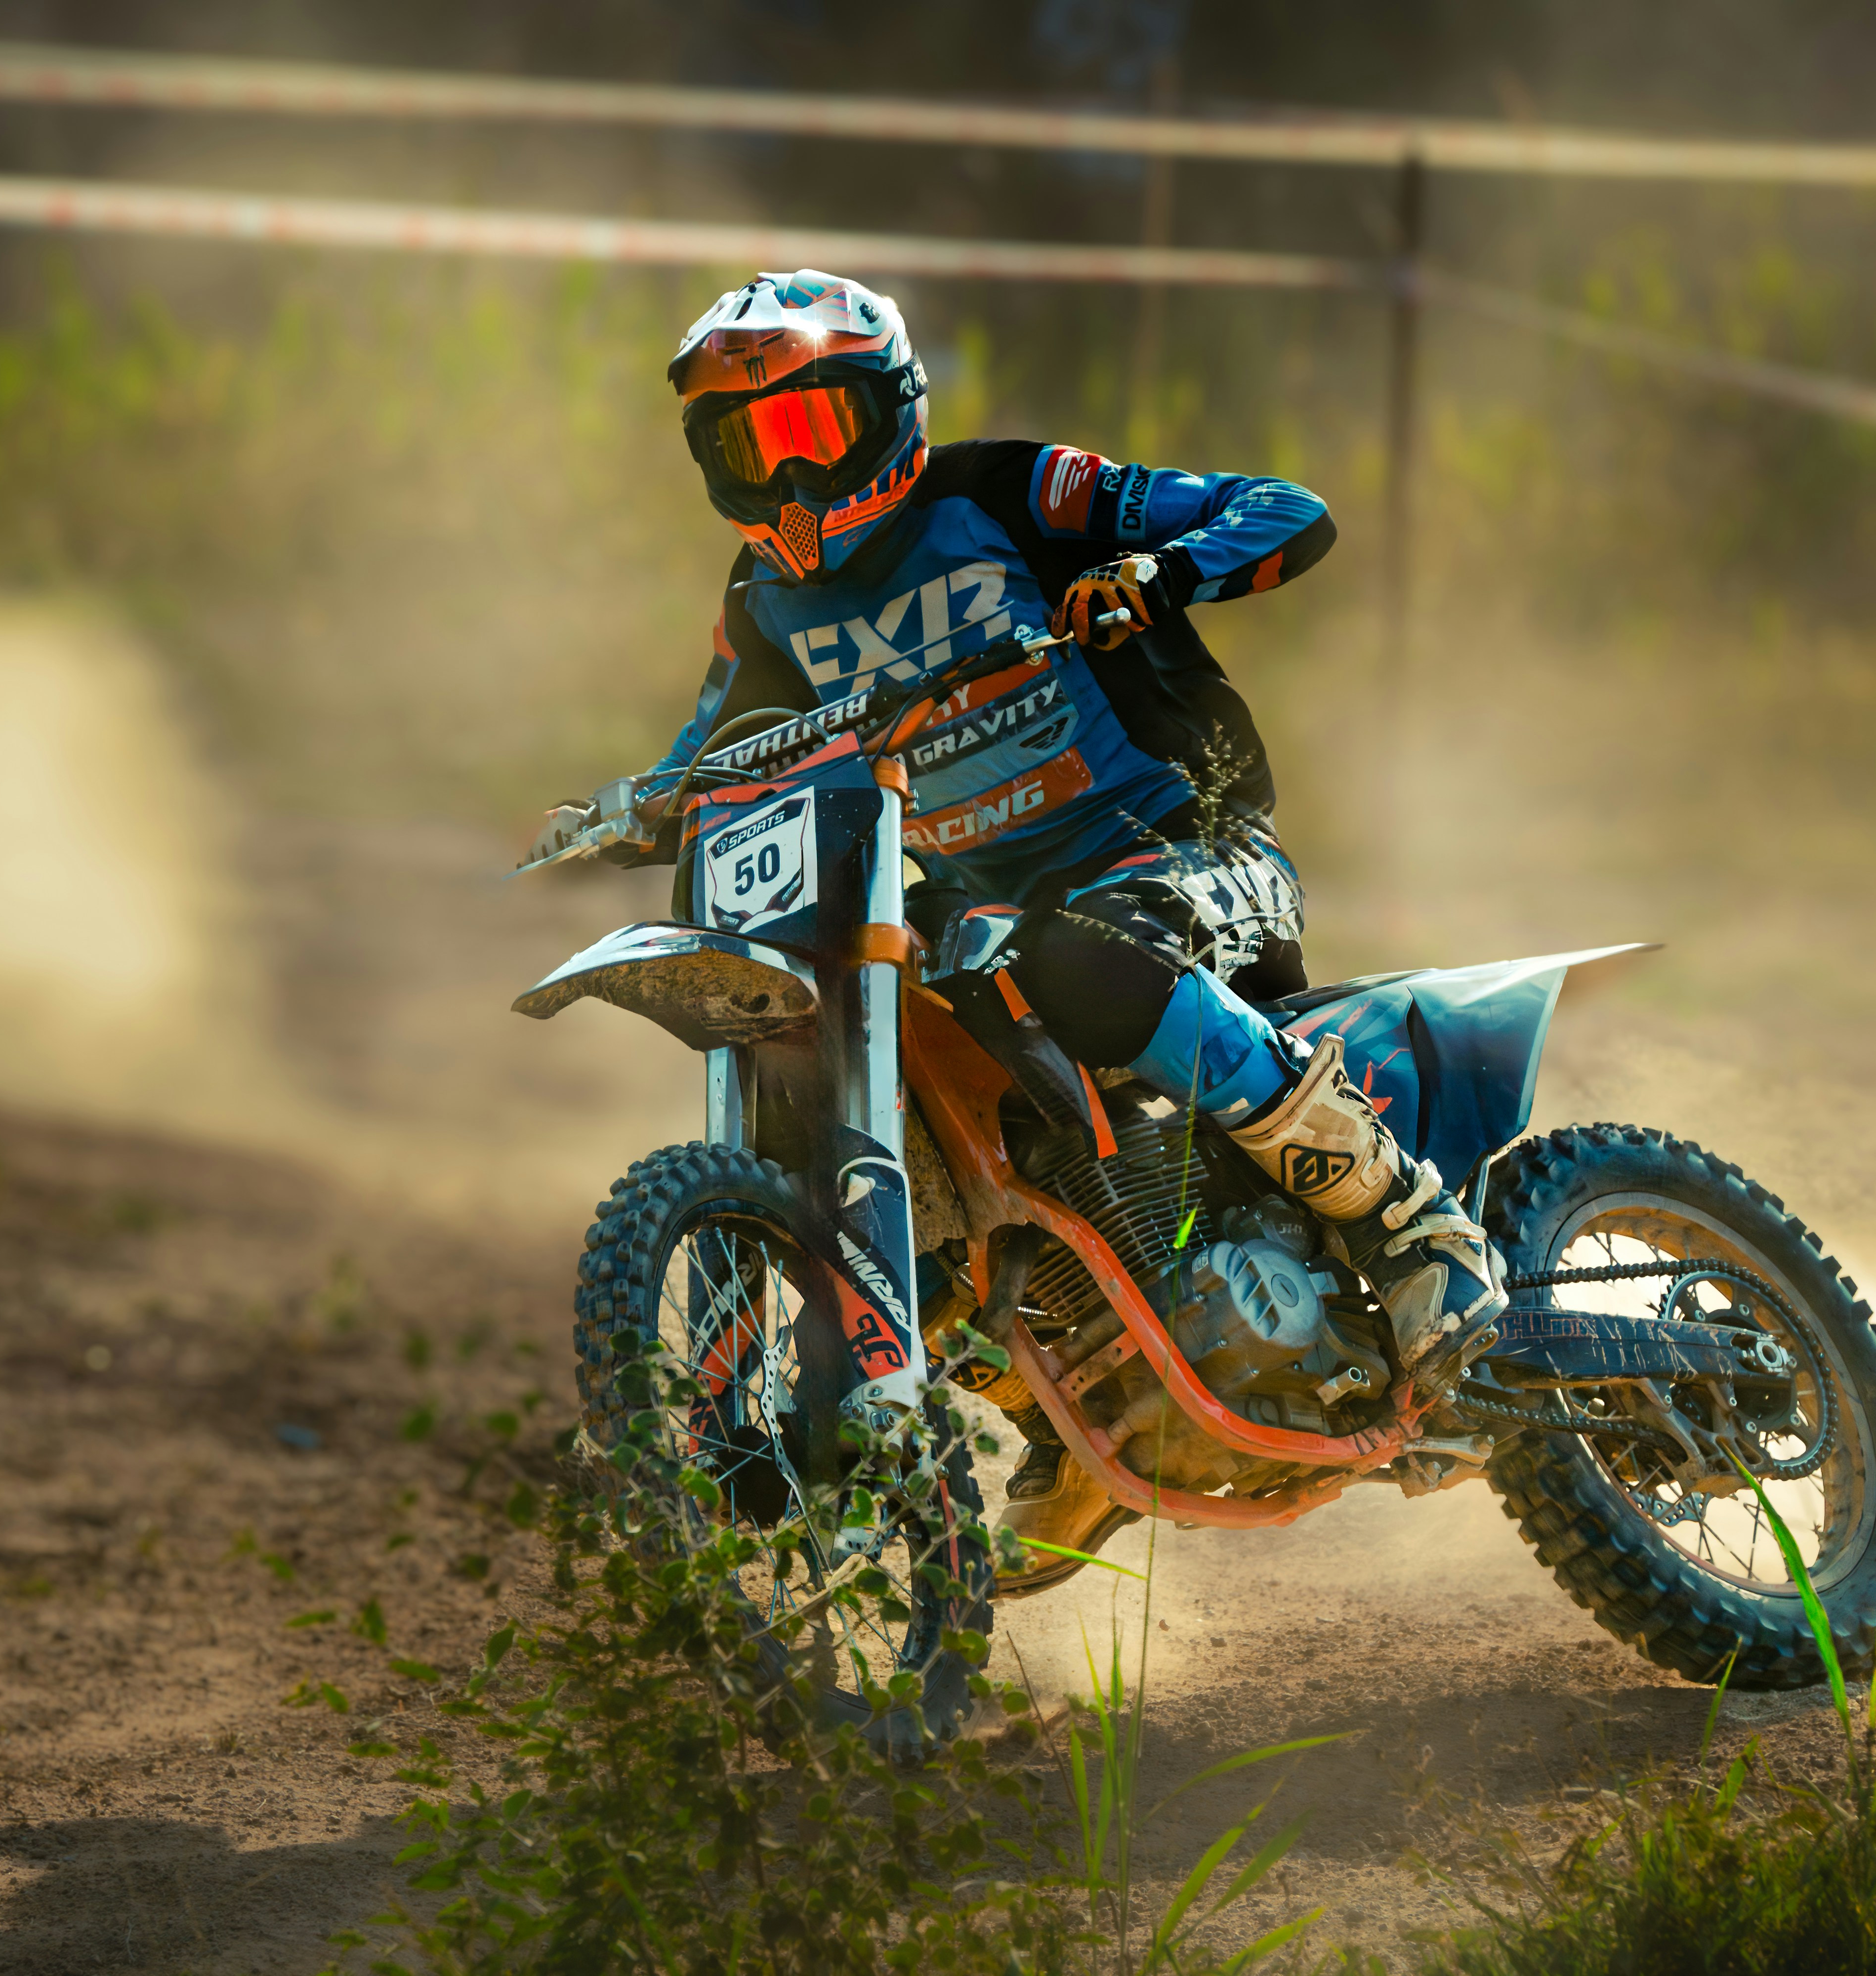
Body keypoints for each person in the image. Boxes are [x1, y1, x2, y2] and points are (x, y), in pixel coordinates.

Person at [562, 269, 1501, 1579]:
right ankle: (1077, 1410)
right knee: (877, 1123)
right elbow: (715, 743)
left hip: (1181, 845)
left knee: (1088, 962)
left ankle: (1407, 1218)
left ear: (886, 413)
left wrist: (1155, 574)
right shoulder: (764, 601)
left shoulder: (1009, 493)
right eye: (747, 444)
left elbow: (1284, 513)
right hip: (974, 915)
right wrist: (641, 808)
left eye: (810, 432)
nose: (784, 476)